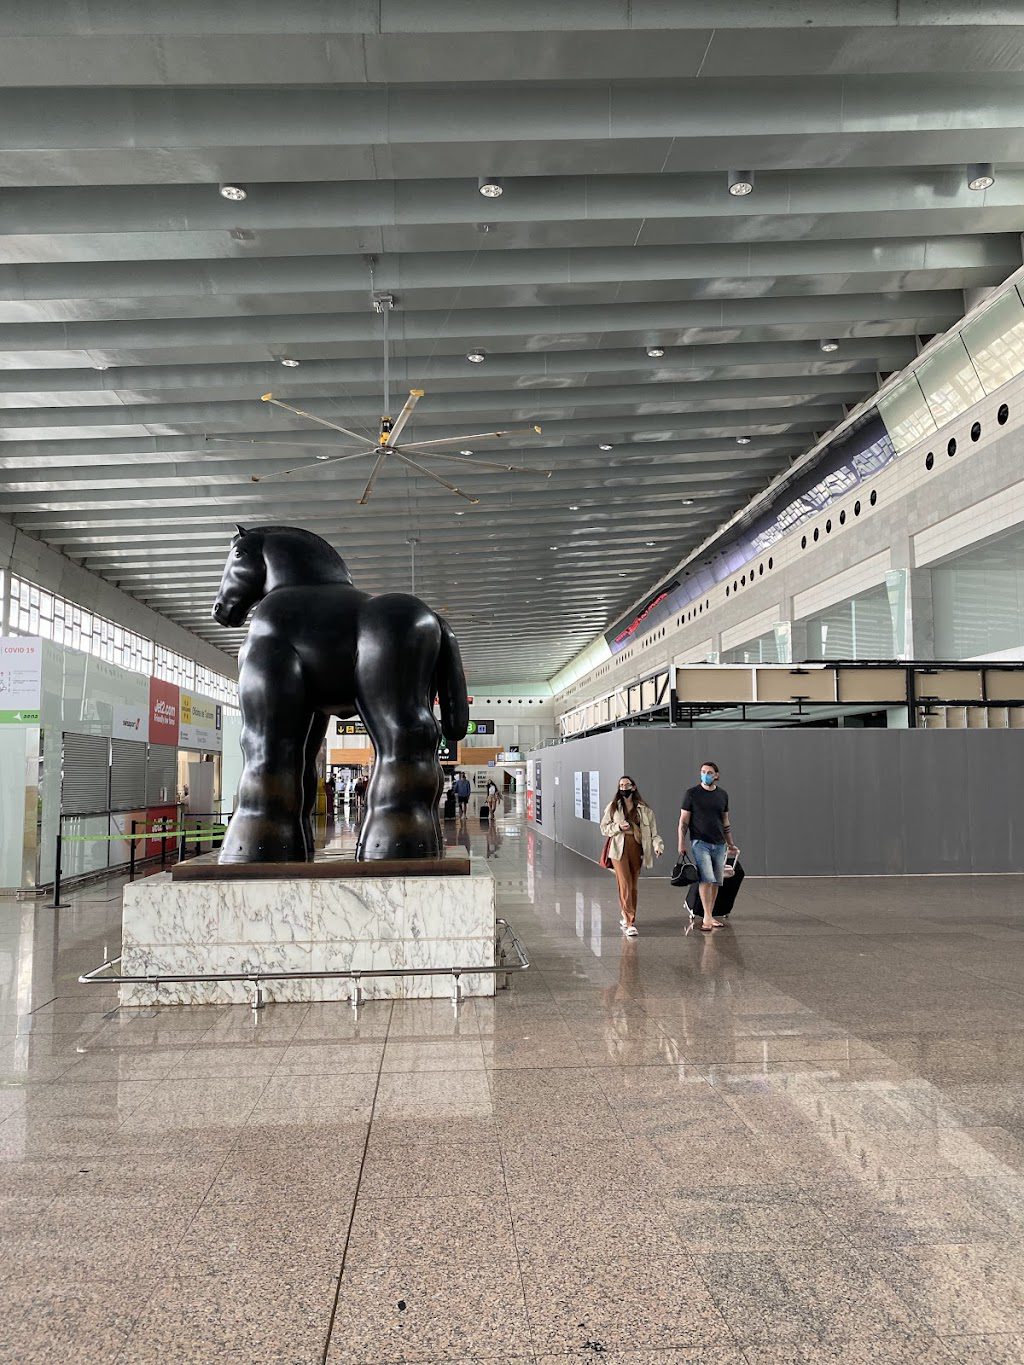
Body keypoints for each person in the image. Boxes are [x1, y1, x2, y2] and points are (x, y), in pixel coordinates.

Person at [599, 775, 664, 937]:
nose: (624, 788)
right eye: (621, 785)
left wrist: (658, 846)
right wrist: (618, 827)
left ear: (633, 787)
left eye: (627, 785)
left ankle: (627, 913)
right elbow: (604, 828)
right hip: (618, 850)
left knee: (633, 885)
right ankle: (630, 922)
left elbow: (654, 833)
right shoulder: (613, 807)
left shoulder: (645, 810)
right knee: (625, 883)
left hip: (637, 848)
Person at [679, 761, 738, 932]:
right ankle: (706, 917)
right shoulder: (691, 794)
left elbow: (725, 821)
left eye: (709, 772)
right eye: (703, 771)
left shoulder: (722, 795)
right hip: (700, 841)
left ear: (716, 775)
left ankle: (710, 915)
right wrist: (681, 842)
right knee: (706, 878)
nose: (706, 775)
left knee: (716, 881)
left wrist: (730, 843)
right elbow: (683, 821)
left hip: (719, 843)